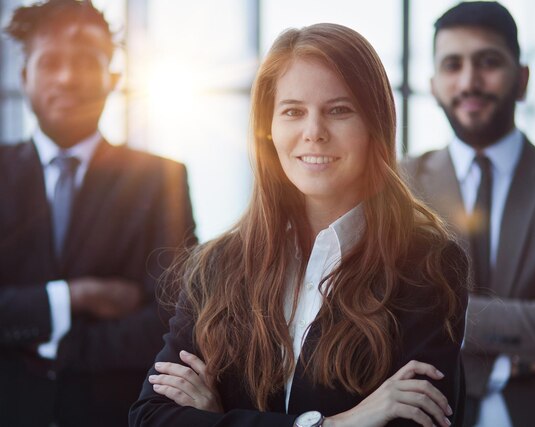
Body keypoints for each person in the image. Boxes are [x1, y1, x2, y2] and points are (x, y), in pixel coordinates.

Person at [130, 23, 468, 427]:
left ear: (374, 124)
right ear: (268, 130)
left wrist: (220, 419)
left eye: (339, 110)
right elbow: (152, 418)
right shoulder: (217, 266)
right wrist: (335, 424)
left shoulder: (426, 267)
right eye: (293, 111)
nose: (314, 133)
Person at [400, 2, 535, 426]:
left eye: (488, 62)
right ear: (432, 84)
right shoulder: (400, 186)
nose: (469, 81)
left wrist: (439, 315)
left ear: (522, 80)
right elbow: (383, 315)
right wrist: (520, 357)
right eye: (453, 65)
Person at [0, 1, 196, 425]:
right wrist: (74, 297)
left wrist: (57, 345)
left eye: (86, 63)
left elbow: (173, 321)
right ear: (24, 77)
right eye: (50, 62)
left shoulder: (162, 180)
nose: (68, 78)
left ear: (112, 78)